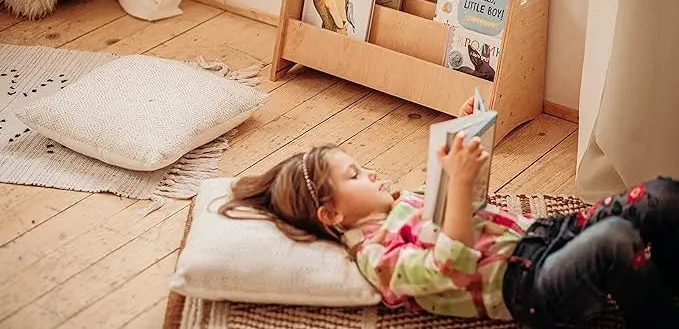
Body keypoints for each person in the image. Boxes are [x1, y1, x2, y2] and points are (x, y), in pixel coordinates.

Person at [218, 96, 679, 328]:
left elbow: (474, 200)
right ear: (332, 216)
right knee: (616, 240)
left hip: (546, 231)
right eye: (355, 176)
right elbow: (447, 266)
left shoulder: (406, 197)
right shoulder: (377, 257)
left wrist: (467, 138)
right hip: (529, 283)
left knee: (659, 195)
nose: (373, 174)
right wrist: (457, 184)